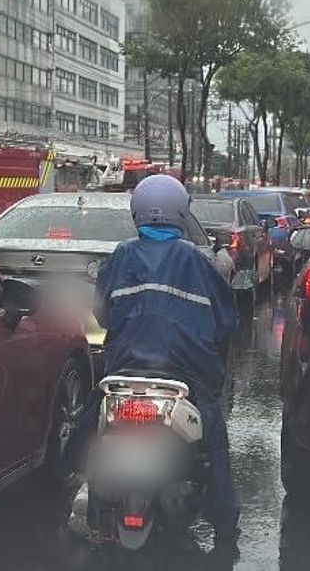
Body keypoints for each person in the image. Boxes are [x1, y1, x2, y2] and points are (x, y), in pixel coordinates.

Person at [89, 174, 241, 550]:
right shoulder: (199, 261)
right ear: (181, 214)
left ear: (136, 213)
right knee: (214, 451)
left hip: (123, 373)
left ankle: (83, 503)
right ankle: (225, 531)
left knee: (88, 427)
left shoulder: (121, 257)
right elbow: (227, 324)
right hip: (187, 378)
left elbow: (102, 316)